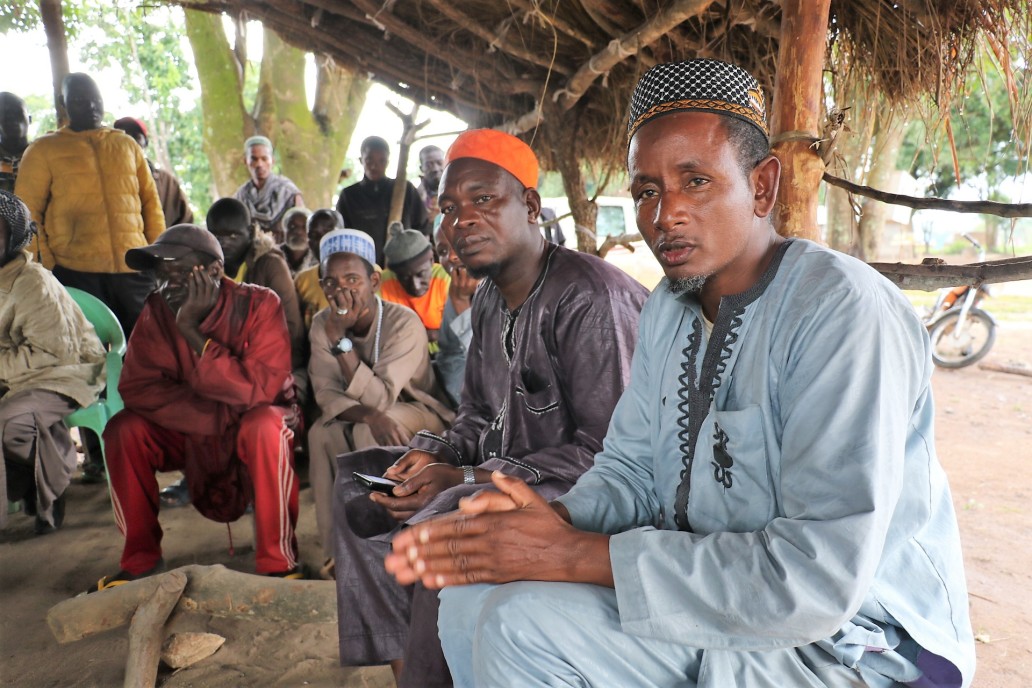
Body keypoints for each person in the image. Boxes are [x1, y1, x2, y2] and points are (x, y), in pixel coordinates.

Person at [385, 59, 976, 688]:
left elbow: (816, 580)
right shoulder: (671, 307)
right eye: (645, 190)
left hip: (849, 643)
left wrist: (578, 555)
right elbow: (632, 469)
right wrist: (552, 523)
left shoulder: (841, 313)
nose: (665, 213)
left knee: (520, 625)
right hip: (712, 602)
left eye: (695, 181)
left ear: (763, 186)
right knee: (470, 598)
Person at [333, 129, 649, 687]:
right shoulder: (485, 300)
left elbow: (610, 455)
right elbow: (476, 413)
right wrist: (430, 457)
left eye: (484, 200)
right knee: (361, 492)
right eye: (450, 208)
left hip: (576, 492)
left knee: (445, 530)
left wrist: (467, 475)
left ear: (529, 205)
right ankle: (410, 669)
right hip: (493, 478)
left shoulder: (589, 298)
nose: (463, 221)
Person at [94, 224, 302, 591]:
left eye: (178, 276)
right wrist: (215, 416)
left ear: (214, 272)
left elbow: (260, 389)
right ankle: (140, 559)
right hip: (198, 426)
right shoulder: (158, 309)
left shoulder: (261, 303)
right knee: (123, 430)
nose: (166, 287)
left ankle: (278, 563)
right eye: (160, 277)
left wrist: (192, 330)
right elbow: (138, 387)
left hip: (255, 424)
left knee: (264, 426)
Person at [307, 227, 454, 579]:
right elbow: (325, 393)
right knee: (319, 434)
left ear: (374, 280)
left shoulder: (403, 322)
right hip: (364, 413)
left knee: (368, 432)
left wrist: (341, 344)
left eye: (352, 279)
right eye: (330, 282)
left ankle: (383, 547)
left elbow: (383, 396)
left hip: (420, 411)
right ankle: (338, 552)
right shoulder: (320, 324)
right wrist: (368, 414)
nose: (341, 290)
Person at [15, 73, 164, 336]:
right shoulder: (43, 150)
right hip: (75, 272)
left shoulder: (127, 145)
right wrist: (49, 268)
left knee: (148, 342)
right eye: (81, 100)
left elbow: (151, 204)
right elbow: (28, 215)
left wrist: (156, 255)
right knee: (91, 351)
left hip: (134, 268)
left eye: (95, 99)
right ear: (64, 104)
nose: (91, 106)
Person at [0, 191, 105, 534]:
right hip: (13, 377)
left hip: (61, 372)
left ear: (13, 238)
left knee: (10, 424)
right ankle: (32, 484)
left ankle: (52, 487)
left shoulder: (31, 281)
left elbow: (52, 352)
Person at [206, 198, 305, 372]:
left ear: (251, 232)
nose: (223, 243)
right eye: (216, 235)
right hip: (223, 360)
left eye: (233, 235)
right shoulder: (208, 268)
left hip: (273, 363)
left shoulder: (270, 264)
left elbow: (291, 327)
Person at [335, 136, 429, 265]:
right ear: (361, 160)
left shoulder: (405, 189)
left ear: (388, 162)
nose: (375, 166)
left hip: (403, 266)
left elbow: (422, 229)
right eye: (369, 160)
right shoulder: (349, 196)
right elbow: (342, 235)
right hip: (363, 267)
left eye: (382, 161)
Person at [379, 221, 450, 351]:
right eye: (404, 277)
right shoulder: (381, 285)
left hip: (445, 355)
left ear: (431, 261)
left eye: (421, 274)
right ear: (394, 274)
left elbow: (464, 333)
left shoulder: (446, 280)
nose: (415, 286)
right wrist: (431, 334)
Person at [432, 218, 480, 408]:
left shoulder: (503, 289)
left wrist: (461, 302)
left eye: (460, 244)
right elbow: (450, 352)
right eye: (442, 251)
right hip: (452, 393)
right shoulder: (456, 288)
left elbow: (494, 364)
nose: (451, 256)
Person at [112, 116, 194, 227]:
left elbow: (186, 223)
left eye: (136, 136)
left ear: (145, 143)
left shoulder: (168, 183)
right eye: (124, 136)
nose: (130, 141)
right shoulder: (102, 181)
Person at [233, 135, 303, 243]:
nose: (259, 164)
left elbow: (302, 230)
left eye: (264, 159)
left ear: (272, 161)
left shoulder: (289, 193)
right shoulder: (241, 196)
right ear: (245, 161)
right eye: (254, 159)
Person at [295, 209, 346, 329]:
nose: (322, 242)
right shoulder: (302, 281)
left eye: (329, 233)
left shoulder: (369, 273)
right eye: (313, 236)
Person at [0, 92, 30, 193]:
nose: (12, 120)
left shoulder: (43, 155)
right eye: (6, 115)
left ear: (29, 119)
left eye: (18, 113)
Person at [280, 206, 315, 276]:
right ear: (284, 231)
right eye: (292, 226)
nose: (298, 231)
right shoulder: (272, 256)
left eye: (304, 227)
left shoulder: (319, 260)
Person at [416, 145, 444, 217]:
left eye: (440, 163)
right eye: (429, 165)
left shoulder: (458, 190)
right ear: (421, 168)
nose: (435, 169)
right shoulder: (415, 197)